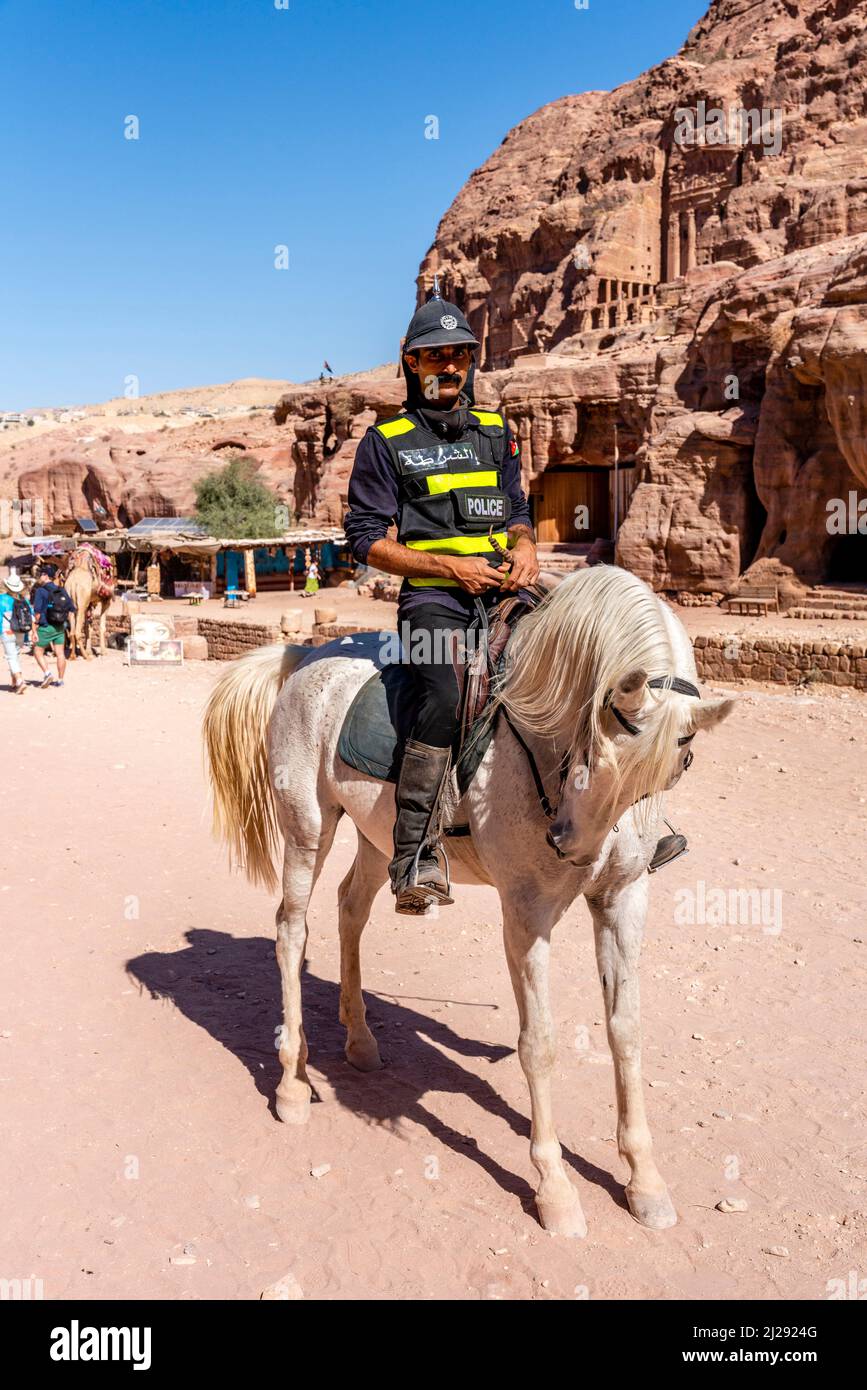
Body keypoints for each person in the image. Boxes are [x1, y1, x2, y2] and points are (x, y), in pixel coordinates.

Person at [344, 281, 540, 913]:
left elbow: (517, 509)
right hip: (435, 602)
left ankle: (616, 824)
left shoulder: (495, 431)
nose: (449, 365)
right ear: (411, 361)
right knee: (445, 692)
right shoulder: (385, 441)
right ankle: (416, 854)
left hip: (508, 589)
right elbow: (366, 540)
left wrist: (526, 543)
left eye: (459, 353)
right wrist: (448, 569)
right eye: (435, 356)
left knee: (581, 660)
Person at [30, 562, 76, 688]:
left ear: (45, 576)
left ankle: (47, 673)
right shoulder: (61, 590)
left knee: (38, 651)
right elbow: (72, 608)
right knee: (60, 653)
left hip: (46, 627)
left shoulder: (40, 591)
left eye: (41, 574)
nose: (39, 576)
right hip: (60, 627)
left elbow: (37, 612)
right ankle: (60, 680)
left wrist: (34, 629)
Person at [0, 570, 29, 693]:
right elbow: (31, 616)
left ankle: (19, 681)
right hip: (21, 631)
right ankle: (14, 682)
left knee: (11, 656)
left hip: (7, 631)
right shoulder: (23, 600)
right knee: (15, 655)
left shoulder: (1, 599)